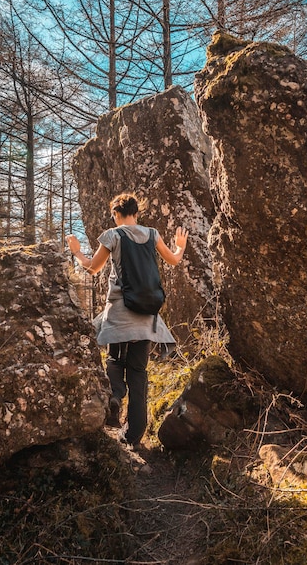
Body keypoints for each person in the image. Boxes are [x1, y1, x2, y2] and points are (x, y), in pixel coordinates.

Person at [66, 192, 188, 450]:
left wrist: (77, 252)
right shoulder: (153, 234)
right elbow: (174, 260)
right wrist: (180, 246)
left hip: (120, 313)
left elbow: (93, 268)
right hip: (145, 314)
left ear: (115, 214)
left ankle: (115, 396)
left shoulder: (113, 235)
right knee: (139, 373)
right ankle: (133, 434)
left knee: (113, 359)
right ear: (136, 212)